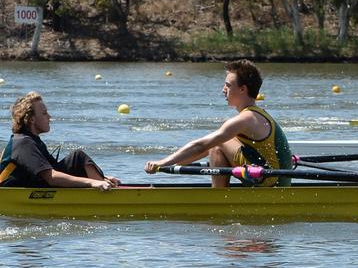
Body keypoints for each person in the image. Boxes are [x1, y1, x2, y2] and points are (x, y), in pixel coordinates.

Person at [144, 60, 292, 188]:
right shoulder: (256, 114)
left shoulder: (245, 119)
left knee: (218, 143)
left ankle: (218, 198)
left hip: (271, 182)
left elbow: (201, 145)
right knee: (219, 143)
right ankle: (219, 194)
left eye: (228, 85)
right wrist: (174, 165)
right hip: (274, 179)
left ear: (242, 89)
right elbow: (203, 149)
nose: (223, 90)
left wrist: (162, 162)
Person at [0, 92, 119, 190]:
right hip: (10, 195)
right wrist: (92, 182)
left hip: (34, 186)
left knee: (77, 159)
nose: (49, 117)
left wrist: (102, 177)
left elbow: (55, 169)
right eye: (44, 113)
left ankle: (104, 184)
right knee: (79, 157)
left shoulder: (34, 141)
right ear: (31, 119)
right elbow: (51, 177)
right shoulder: (23, 143)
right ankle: (104, 191)